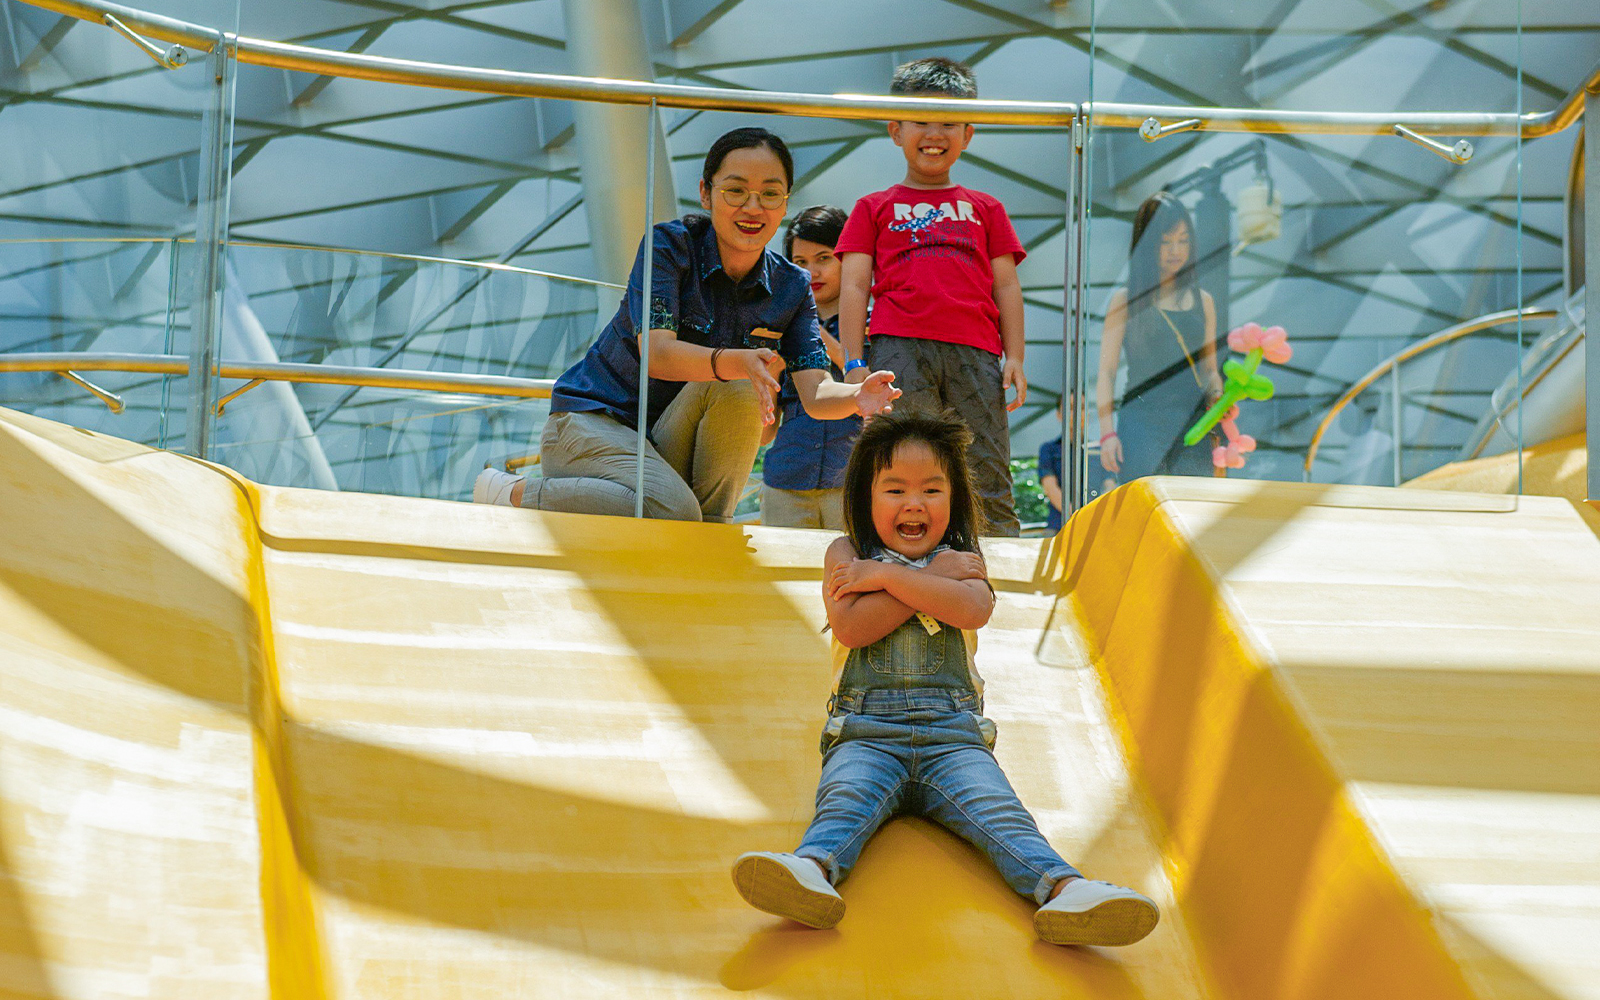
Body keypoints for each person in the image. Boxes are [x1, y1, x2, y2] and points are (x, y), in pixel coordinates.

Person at [730, 410, 1160, 948]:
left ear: (953, 498)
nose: (914, 503)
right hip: (866, 733)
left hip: (954, 738)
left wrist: (887, 575)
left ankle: (1066, 889)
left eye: (932, 489)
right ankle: (811, 870)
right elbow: (854, 625)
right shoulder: (846, 554)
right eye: (895, 490)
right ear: (866, 496)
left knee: (1001, 814)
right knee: (844, 801)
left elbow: (972, 610)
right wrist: (925, 578)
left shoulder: (962, 559)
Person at [473, 128, 900, 522]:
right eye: (735, 191)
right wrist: (739, 360)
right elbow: (656, 354)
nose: (753, 208)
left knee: (732, 397)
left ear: (785, 202)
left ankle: (710, 534)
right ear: (705, 193)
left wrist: (856, 394)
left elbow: (816, 392)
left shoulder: (789, 286)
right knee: (675, 505)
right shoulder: (669, 247)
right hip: (593, 424)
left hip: (662, 448)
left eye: (770, 194)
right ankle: (515, 492)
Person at [835, 57, 1028, 537]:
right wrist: (855, 361)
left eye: (948, 122)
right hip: (898, 346)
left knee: (984, 458)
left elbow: (1006, 285)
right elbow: (855, 284)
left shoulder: (987, 208)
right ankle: (892, 554)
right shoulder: (872, 207)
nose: (933, 132)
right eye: (921, 120)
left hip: (977, 350)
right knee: (901, 457)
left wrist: (1016, 356)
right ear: (895, 129)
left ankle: (998, 557)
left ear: (968, 133)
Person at [1095, 191, 1222, 483]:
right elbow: (1107, 372)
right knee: (1145, 508)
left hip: (1193, 424)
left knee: (1192, 511)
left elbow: (1210, 370)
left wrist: (1219, 397)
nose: (1175, 250)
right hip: (1141, 421)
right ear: (1146, 246)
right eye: (1165, 242)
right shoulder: (1124, 302)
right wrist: (1107, 435)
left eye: (1182, 240)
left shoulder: (1204, 302)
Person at [759, 206, 858, 530]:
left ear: (849, 259)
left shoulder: (878, 321)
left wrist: (808, 327)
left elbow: (877, 389)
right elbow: (763, 435)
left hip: (853, 483)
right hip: (784, 483)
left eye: (824, 258)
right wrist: (769, 371)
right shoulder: (775, 328)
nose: (811, 271)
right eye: (800, 263)